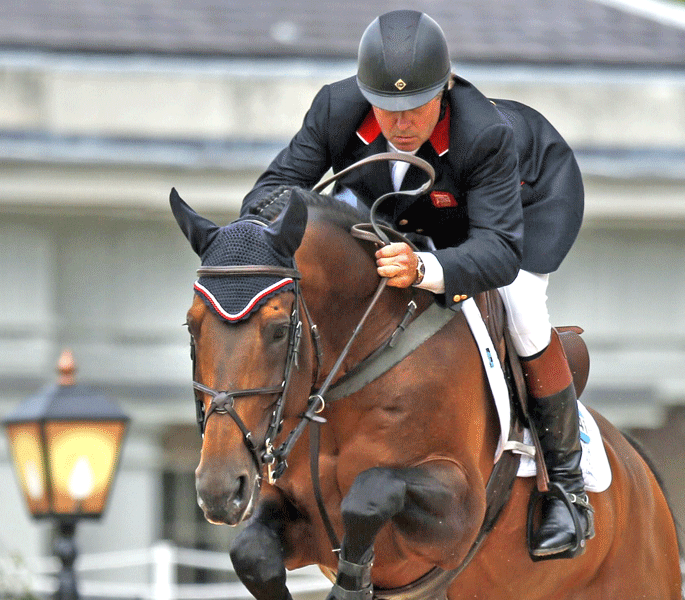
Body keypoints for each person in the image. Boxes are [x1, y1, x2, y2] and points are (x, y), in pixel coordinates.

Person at [240, 10, 592, 560]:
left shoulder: (484, 134)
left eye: (417, 107)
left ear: (445, 89)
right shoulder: (336, 108)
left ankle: (568, 491)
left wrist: (426, 270)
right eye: (387, 107)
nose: (400, 124)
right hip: (415, 213)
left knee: (522, 305)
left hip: (528, 197)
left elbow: (496, 251)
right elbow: (272, 191)